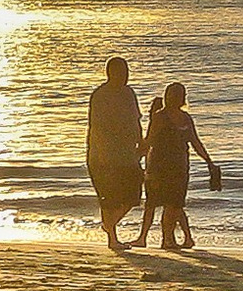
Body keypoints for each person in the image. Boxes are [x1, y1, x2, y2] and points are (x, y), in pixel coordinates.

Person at [135, 81, 221, 252]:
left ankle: (167, 239)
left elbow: (195, 142)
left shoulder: (186, 118)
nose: (177, 98)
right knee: (160, 203)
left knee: (174, 205)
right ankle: (167, 240)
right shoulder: (160, 117)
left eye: (179, 95)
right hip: (159, 167)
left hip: (180, 167)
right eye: (174, 95)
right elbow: (150, 141)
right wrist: (136, 160)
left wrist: (209, 161)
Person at [86, 57, 143, 252]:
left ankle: (108, 225)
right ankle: (112, 237)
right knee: (109, 198)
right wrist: (100, 155)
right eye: (121, 72)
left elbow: (136, 120)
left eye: (126, 72)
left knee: (133, 195)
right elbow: (98, 127)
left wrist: (141, 141)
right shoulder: (100, 95)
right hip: (104, 156)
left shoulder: (129, 93)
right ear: (110, 73)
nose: (125, 76)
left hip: (127, 154)